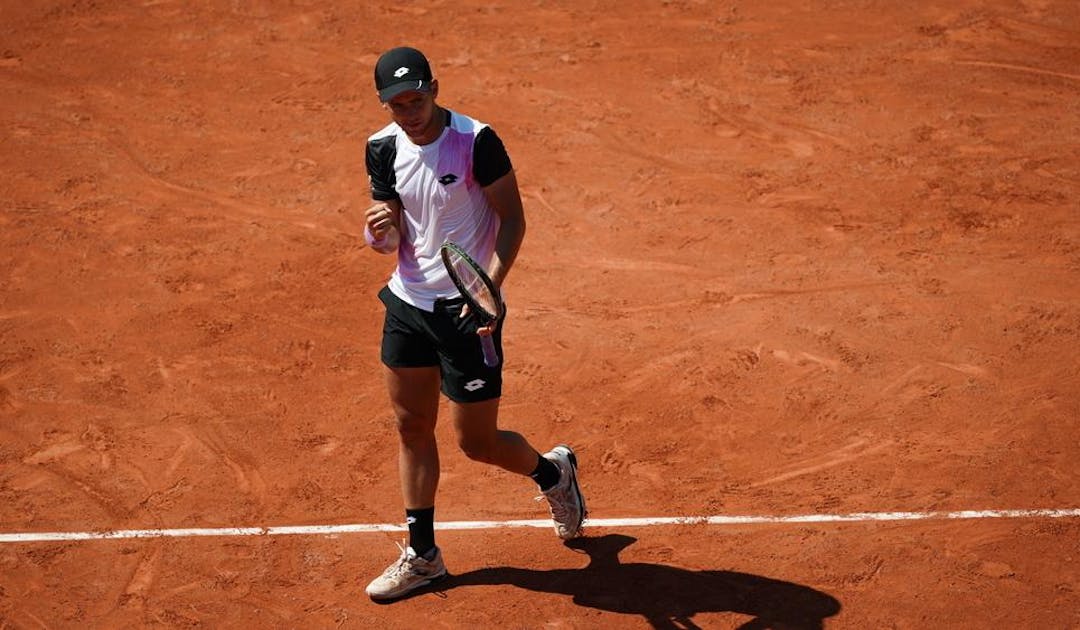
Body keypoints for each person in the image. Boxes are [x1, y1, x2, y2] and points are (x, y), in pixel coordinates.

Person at [361, 46, 586, 602]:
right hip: (408, 303)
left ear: (435, 88)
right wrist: (378, 232)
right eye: (397, 104)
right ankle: (423, 556)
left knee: (476, 443)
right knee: (412, 428)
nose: (409, 112)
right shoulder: (380, 147)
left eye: (417, 99)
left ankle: (552, 475)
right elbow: (390, 235)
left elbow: (513, 219)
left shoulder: (476, 140)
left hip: (468, 311)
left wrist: (489, 288)